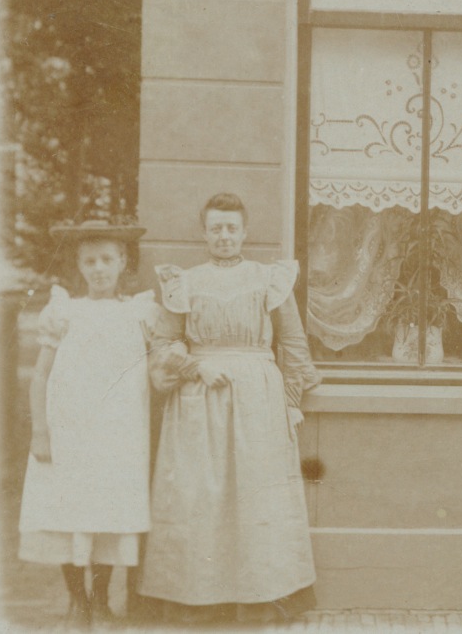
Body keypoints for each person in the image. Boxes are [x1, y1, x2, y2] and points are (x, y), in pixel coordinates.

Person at [137, 192, 321, 624]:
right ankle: (198, 599)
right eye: (216, 228)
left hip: (258, 399)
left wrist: (291, 401)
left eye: (231, 228)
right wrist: (194, 366)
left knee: (257, 497)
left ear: (244, 232)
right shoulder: (184, 282)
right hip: (200, 400)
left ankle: (261, 598)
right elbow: (162, 343)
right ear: (204, 233)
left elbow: (293, 343)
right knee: (201, 496)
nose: (224, 236)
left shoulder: (268, 279)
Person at [19, 220, 154, 628]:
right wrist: (40, 432)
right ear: (79, 265)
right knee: (70, 513)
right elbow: (41, 375)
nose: (99, 269)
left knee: (107, 515)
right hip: (70, 434)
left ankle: (101, 603)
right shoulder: (64, 311)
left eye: (107, 260)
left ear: (122, 262)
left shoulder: (137, 313)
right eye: (90, 261)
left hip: (117, 435)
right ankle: (77, 602)